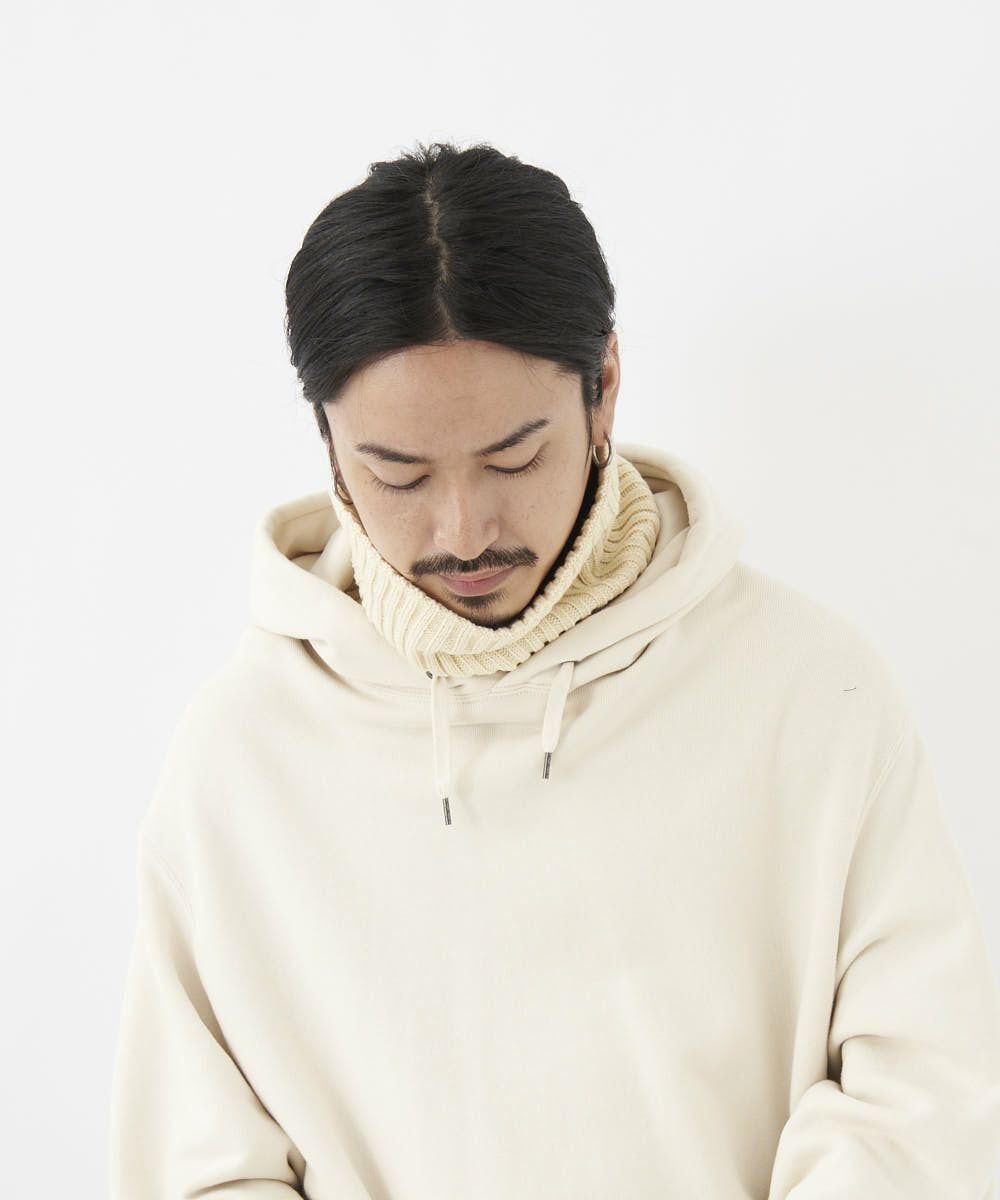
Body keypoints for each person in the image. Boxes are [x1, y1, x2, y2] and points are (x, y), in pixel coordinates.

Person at [108, 140, 1000, 1198]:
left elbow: (922, 1097)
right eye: (398, 476)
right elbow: (199, 1164)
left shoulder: (809, 694)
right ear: (327, 440)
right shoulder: (243, 760)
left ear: (603, 387)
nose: (463, 531)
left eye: (514, 458)